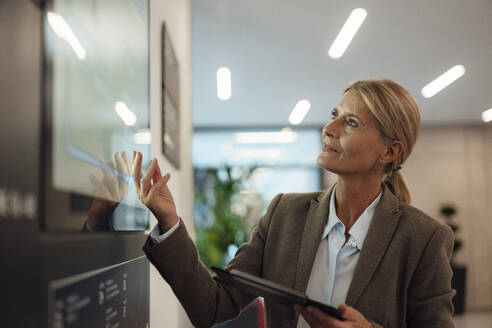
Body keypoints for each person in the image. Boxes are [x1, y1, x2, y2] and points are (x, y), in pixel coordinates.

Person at [133, 79, 455, 328]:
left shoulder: (424, 239)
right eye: (334, 116)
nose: (329, 129)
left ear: (389, 151)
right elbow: (212, 307)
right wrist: (169, 222)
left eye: (351, 123)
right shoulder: (283, 215)